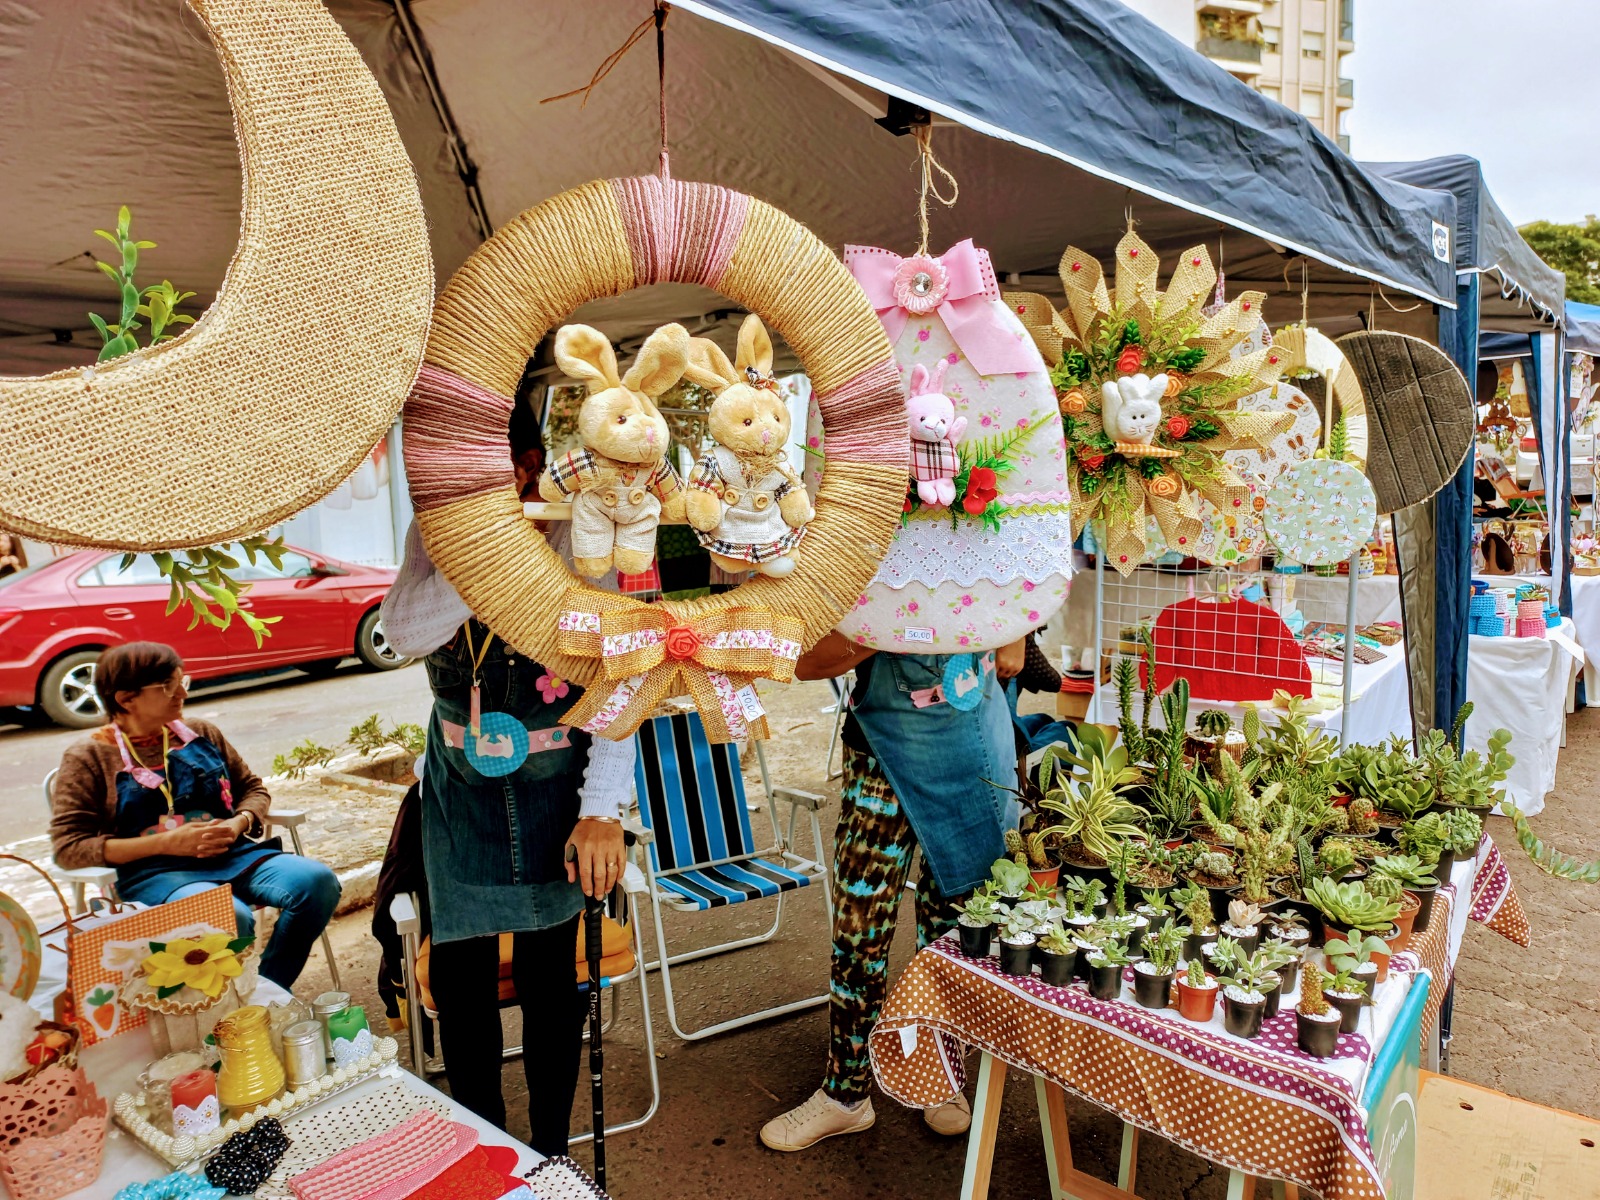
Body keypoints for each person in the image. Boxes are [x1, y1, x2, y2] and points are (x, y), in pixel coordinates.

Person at [377, 398, 634, 1157]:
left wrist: (603, 811)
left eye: (478, 473)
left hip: (561, 790)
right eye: (446, 476)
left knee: (553, 979)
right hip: (459, 793)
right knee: (459, 980)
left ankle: (550, 1152)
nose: (456, 489)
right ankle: (488, 1146)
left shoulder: (585, 532)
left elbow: (624, 686)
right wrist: (482, 545)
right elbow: (403, 632)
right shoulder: (436, 534)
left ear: (528, 464)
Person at [759, 632, 1024, 1151]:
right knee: (859, 932)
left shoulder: (989, 549)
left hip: (971, 751)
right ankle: (845, 1095)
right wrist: (889, 627)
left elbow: (1031, 580)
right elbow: (808, 664)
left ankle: (941, 1077)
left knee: (953, 934)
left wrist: (1015, 628)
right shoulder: (863, 557)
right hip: (879, 760)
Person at [48, 642, 341, 989]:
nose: (182, 693)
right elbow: (70, 848)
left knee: (315, 883)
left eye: (181, 681)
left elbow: (253, 789)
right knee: (231, 916)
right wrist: (168, 842)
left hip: (233, 854)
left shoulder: (201, 734)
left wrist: (238, 823)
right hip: (154, 873)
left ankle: (269, 989)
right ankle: (231, 1007)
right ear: (127, 699)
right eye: (169, 687)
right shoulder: (89, 757)